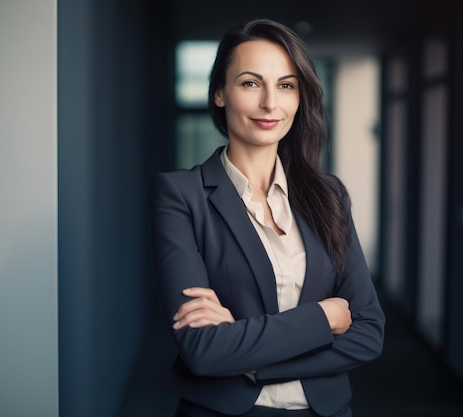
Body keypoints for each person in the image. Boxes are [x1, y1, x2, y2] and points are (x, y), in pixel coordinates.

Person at [149, 18, 385, 417]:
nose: (270, 104)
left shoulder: (329, 196)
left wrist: (249, 361)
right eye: (250, 83)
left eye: (286, 85)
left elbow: (368, 334)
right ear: (220, 93)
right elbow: (202, 351)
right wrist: (321, 319)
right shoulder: (181, 196)